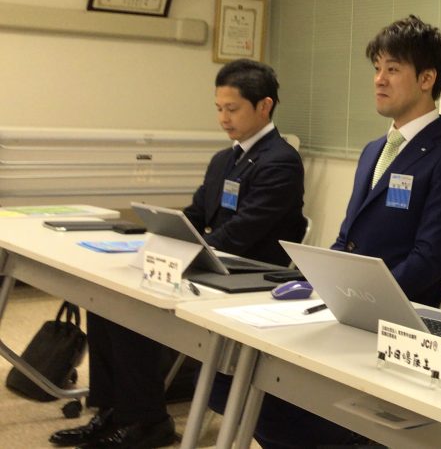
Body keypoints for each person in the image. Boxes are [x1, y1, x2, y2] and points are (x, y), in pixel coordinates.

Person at [248, 15, 441, 448]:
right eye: (377, 68)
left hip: (398, 319)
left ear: (427, 78)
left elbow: (431, 257)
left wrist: (361, 300)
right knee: (246, 378)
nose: (379, 80)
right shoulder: (375, 149)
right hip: (349, 311)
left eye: (392, 69)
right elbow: (347, 239)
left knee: (278, 397)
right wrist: (317, 282)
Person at [51, 59, 305, 449]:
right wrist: (163, 235)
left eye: (232, 108)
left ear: (264, 106)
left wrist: (186, 253)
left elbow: (242, 233)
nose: (223, 118)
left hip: (248, 278)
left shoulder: (281, 161)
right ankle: (113, 412)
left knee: (129, 309)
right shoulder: (224, 159)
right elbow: (197, 214)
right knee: (104, 299)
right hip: (214, 265)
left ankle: (147, 421)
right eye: (218, 108)